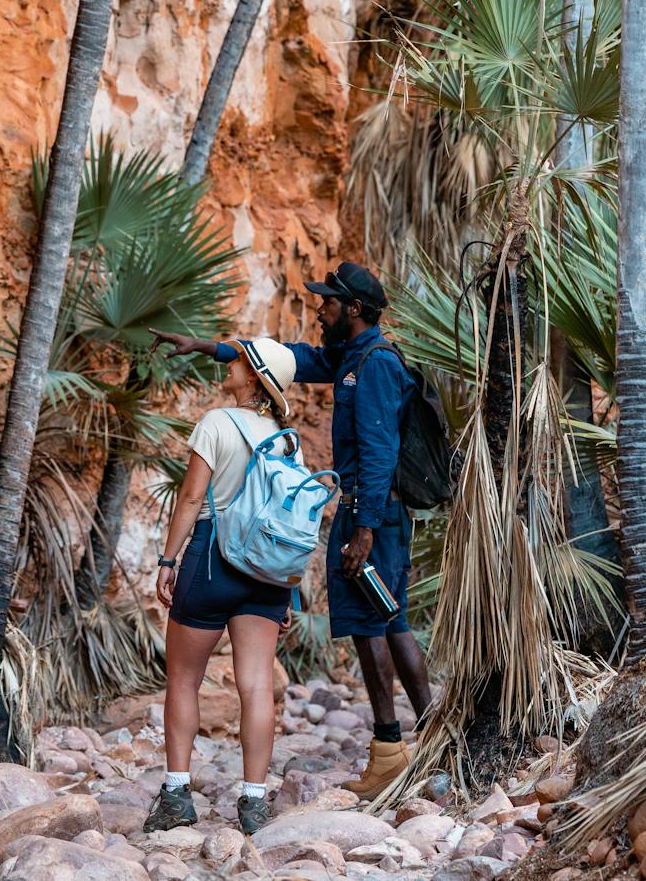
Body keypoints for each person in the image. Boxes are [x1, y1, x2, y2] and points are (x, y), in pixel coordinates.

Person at [151, 261, 432, 800]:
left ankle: (413, 744)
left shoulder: (374, 363)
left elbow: (379, 451)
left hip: (372, 513)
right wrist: (207, 346)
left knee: (380, 620)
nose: (320, 307)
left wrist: (365, 530)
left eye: (329, 301)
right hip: (361, 511)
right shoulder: (348, 356)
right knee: (379, 617)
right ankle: (405, 745)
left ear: (353, 309)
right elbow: (289, 361)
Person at [142, 337, 301, 838]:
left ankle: (176, 795)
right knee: (257, 687)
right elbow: (290, 519)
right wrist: (289, 590)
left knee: (184, 680)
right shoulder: (288, 439)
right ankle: (253, 802)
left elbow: (191, 499)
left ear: (253, 377)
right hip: (266, 573)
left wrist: (168, 560)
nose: (227, 364)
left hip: (211, 560)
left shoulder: (217, 423)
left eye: (237, 360)